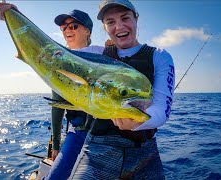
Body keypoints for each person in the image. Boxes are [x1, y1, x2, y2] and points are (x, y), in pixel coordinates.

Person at [0, 4, 103, 179]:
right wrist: (13, 13)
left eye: (74, 26)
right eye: (64, 27)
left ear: (87, 31)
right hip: (78, 130)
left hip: (103, 131)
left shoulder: (103, 53)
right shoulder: (58, 58)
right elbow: (57, 105)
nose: (68, 30)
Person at [68, 0, 175, 179]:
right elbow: (54, 54)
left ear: (136, 19)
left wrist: (139, 122)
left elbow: (162, 109)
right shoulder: (96, 54)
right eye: (110, 22)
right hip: (98, 147)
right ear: (105, 27)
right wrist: (14, 17)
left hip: (142, 150)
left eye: (125, 18)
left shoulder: (160, 56)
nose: (119, 26)